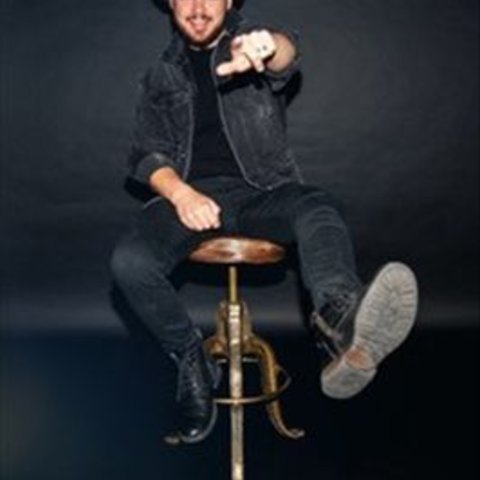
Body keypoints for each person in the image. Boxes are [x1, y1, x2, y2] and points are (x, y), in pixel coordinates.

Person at [111, 0, 418, 445]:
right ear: (171, 3)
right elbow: (147, 155)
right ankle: (192, 359)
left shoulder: (250, 42)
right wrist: (181, 194)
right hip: (191, 197)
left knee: (317, 207)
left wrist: (269, 46)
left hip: (262, 193)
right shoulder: (160, 75)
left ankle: (340, 321)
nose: (198, 7)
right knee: (130, 263)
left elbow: (286, 54)